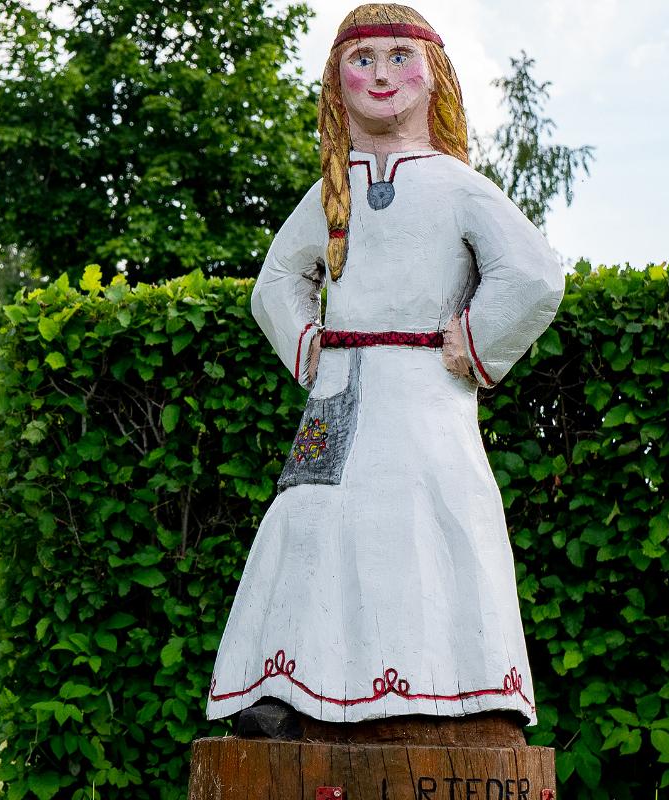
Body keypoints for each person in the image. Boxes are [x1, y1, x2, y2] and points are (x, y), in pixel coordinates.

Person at [204, 3, 563, 736]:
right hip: (337, 395)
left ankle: (458, 690)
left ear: (436, 79)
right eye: (361, 61)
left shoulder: (458, 187)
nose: (381, 75)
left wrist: (473, 338)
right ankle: (289, 688)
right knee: (308, 525)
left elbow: (533, 274)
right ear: (337, 85)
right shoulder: (329, 197)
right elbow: (275, 281)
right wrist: (310, 347)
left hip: (424, 394)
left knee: (432, 522)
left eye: (400, 57)